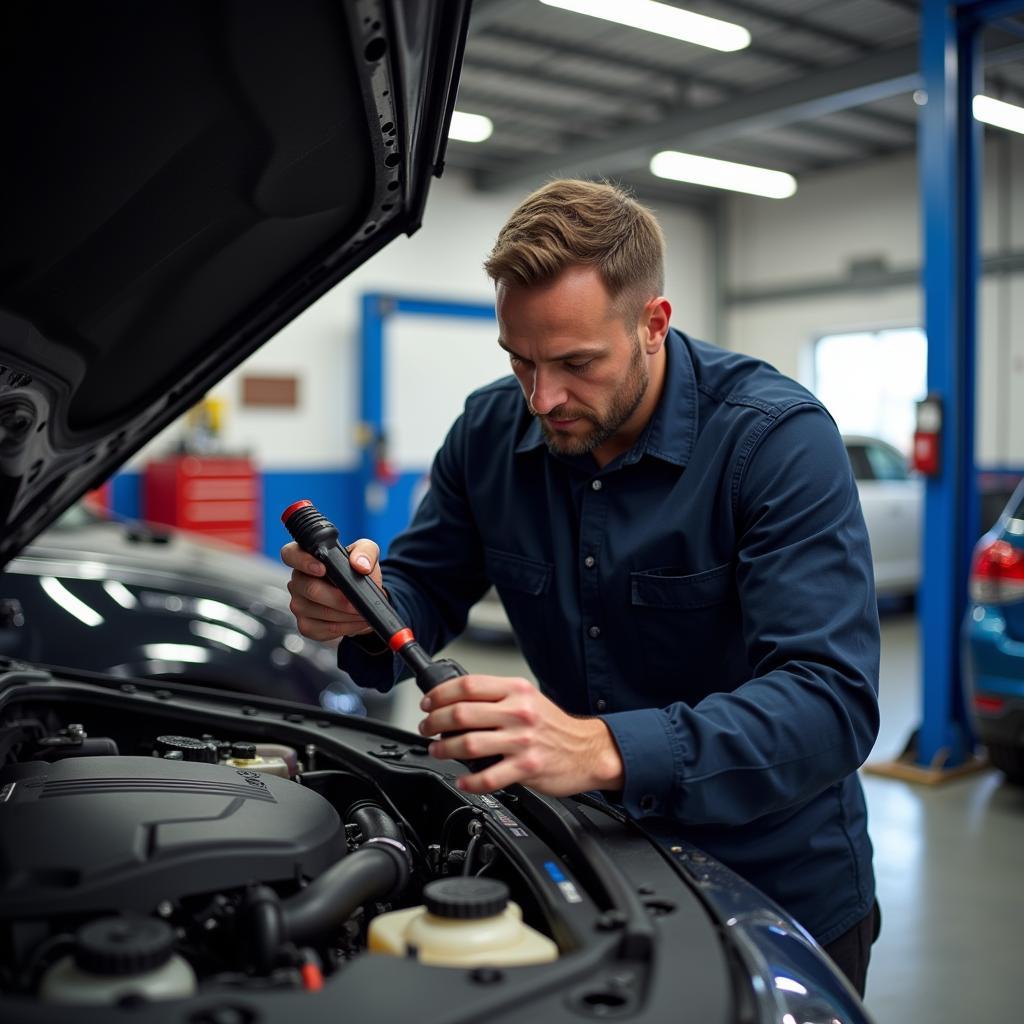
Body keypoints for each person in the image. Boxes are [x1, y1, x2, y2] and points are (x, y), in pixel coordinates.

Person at [282, 179, 881, 994]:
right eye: (520, 361)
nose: (544, 398)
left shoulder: (775, 441)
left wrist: (602, 747)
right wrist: (356, 606)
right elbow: (422, 587)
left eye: (576, 364)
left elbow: (830, 703)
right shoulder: (490, 432)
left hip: (775, 890)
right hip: (592, 866)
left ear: (653, 324)